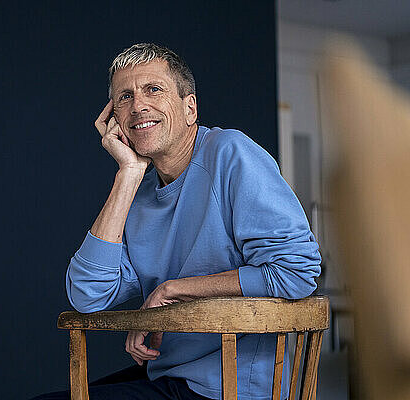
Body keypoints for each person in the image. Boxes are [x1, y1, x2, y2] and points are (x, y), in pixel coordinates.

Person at [33, 43, 321, 400]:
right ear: (114, 119)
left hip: (228, 388)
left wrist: (173, 290)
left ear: (190, 108)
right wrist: (128, 173)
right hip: (169, 376)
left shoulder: (230, 153)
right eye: (124, 97)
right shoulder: (138, 194)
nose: (138, 105)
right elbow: (87, 295)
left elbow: (296, 271)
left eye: (153, 89)